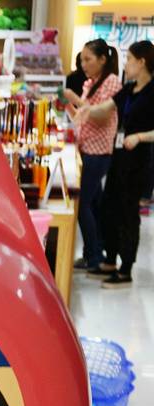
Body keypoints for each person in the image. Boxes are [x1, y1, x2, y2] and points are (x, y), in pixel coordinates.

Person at [75, 40, 154, 287]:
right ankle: (109, 259)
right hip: (119, 156)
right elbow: (107, 107)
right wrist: (86, 110)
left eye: (129, 59)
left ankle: (125, 269)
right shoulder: (129, 89)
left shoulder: (152, 92)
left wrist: (140, 137)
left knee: (128, 213)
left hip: (139, 160)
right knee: (110, 207)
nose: (126, 64)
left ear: (142, 62)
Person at [64, 39, 121, 273]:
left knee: (82, 204)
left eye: (88, 59)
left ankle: (93, 256)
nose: (83, 64)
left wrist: (75, 99)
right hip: (86, 149)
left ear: (102, 60)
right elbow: (82, 116)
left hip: (98, 153)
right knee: (93, 204)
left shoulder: (112, 82)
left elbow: (101, 116)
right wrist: (66, 103)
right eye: (82, 59)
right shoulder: (91, 83)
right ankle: (96, 252)